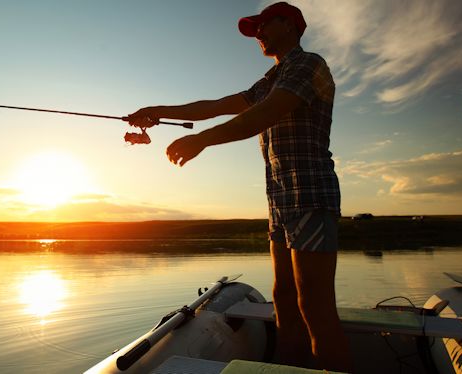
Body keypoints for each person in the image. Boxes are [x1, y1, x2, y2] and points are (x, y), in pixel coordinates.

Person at [127, 2, 351, 371]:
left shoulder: (309, 64)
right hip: (280, 200)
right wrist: (158, 111)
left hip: (310, 194)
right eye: (256, 28)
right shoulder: (271, 78)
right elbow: (215, 105)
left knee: (315, 304)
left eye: (264, 25)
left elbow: (263, 114)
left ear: (290, 25)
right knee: (283, 297)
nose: (258, 33)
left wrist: (202, 140)